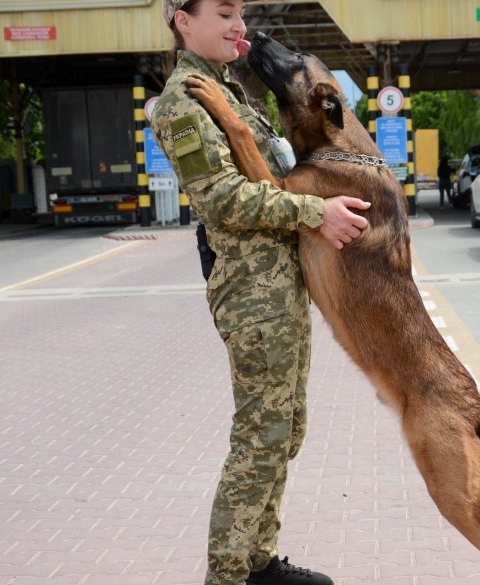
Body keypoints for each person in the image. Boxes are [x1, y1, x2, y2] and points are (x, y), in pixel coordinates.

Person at [152, 1, 370, 584]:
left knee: (286, 427)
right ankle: (226, 577)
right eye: (223, 12)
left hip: (281, 285)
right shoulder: (181, 104)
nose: (238, 25)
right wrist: (312, 212)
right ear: (182, 20)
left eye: (240, 13)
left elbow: (272, 168)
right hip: (251, 291)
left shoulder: (229, 91)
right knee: (259, 436)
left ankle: (259, 561)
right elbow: (221, 196)